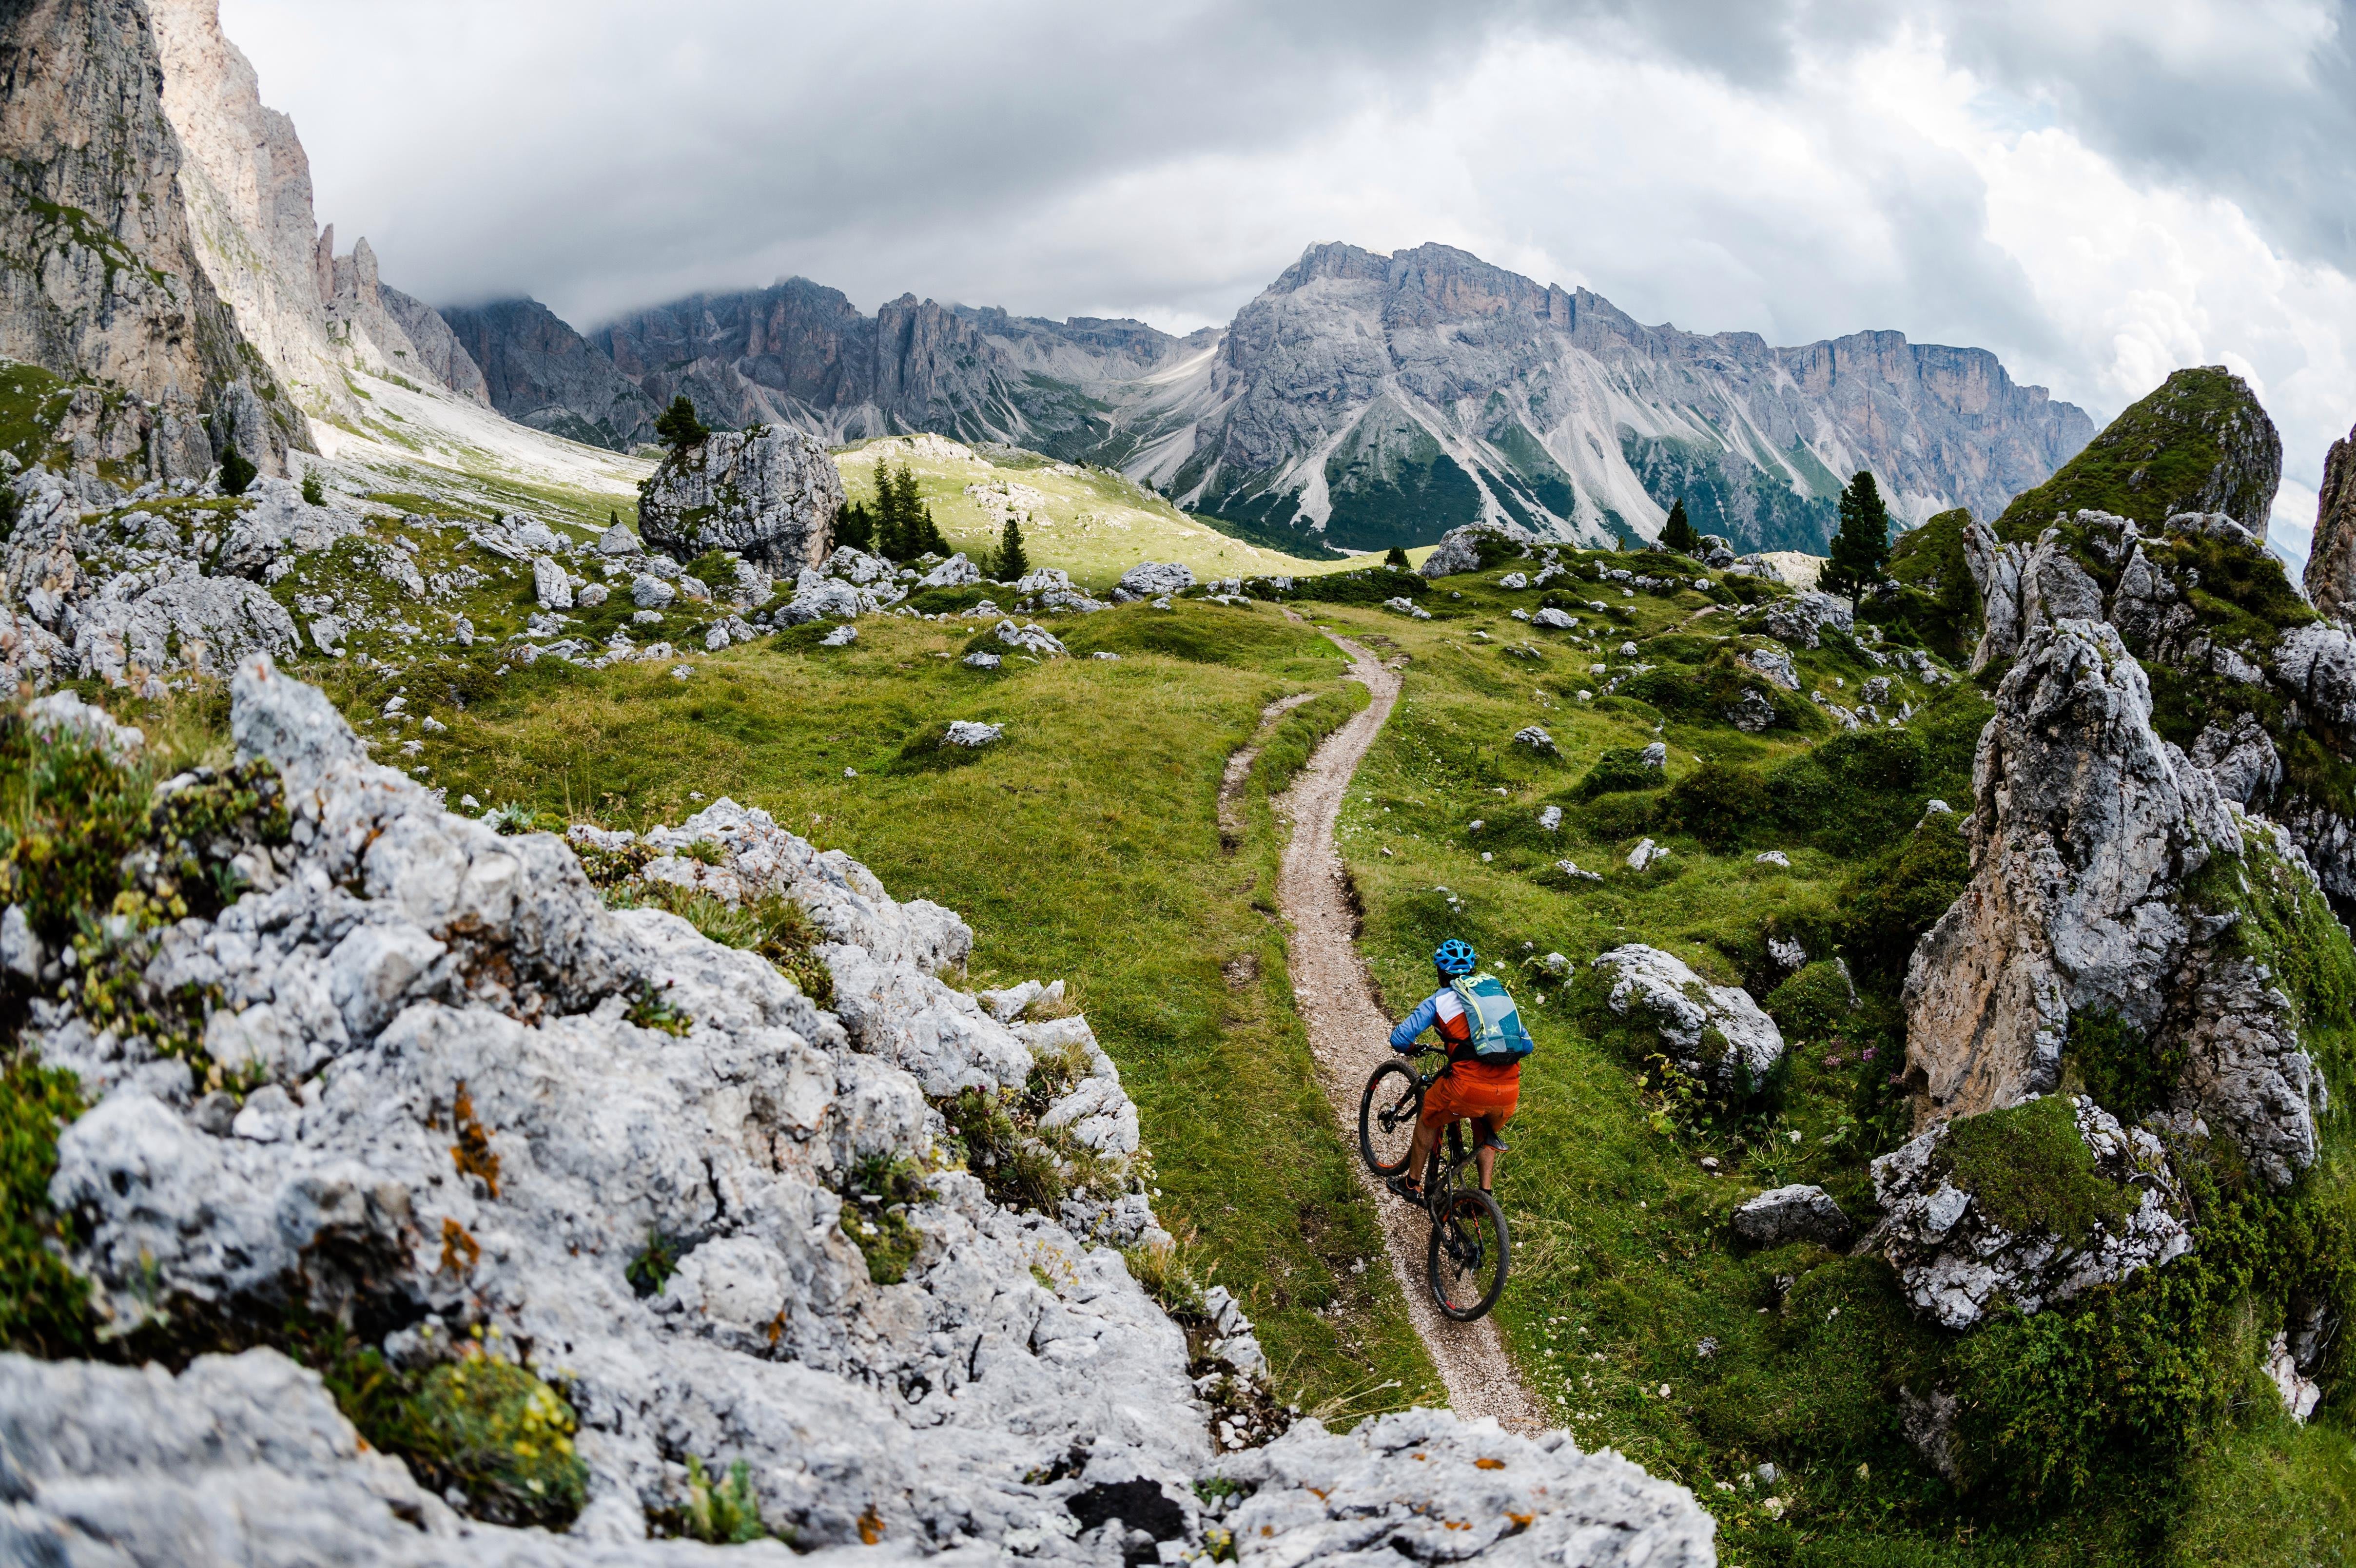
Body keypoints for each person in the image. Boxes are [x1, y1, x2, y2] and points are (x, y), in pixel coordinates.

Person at [1386, 939, 1532, 1200]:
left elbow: (1399, 1039)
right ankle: (1484, 1197)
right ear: (1473, 969)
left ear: (1442, 974)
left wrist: (1412, 1048)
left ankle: (1412, 1184)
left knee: (1429, 1115)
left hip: (1465, 1089)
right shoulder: (1495, 997)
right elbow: (1528, 1045)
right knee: (1485, 1130)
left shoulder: (1440, 1000)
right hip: (1509, 1092)